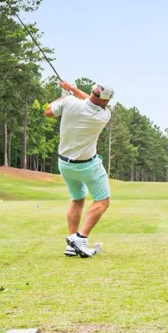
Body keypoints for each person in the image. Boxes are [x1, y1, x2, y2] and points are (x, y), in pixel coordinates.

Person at [45, 79, 115, 258]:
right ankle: (81, 238)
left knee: (77, 199)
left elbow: (48, 112)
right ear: (106, 101)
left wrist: (64, 95)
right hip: (88, 166)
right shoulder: (103, 115)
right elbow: (91, 102)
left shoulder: (69, 103)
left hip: (65, 164)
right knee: (102, 200)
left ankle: (72, 241)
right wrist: (72, 90)